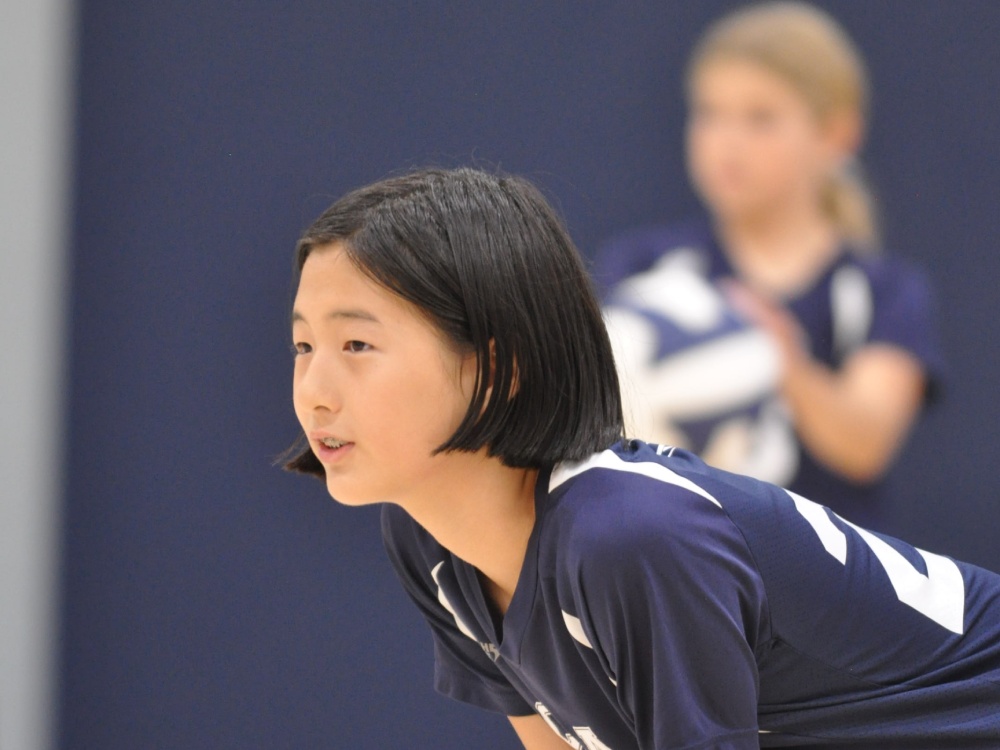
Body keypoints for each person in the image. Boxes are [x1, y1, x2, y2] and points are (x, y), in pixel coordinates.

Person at [286, 167, 1000, 749]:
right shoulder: (425, 534)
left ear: (498, 369)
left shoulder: (628, 538)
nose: (314, 391)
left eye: (356, 346)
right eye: (303, 346)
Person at [597, 2, 943, 531]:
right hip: (683, 574)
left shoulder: (880, 290)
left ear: (836, 134)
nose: (727, 143)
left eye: (761, 118)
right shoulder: (644, 267)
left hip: (827, 600)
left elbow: (866, 443)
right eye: (710, 114)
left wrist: (776, 356)